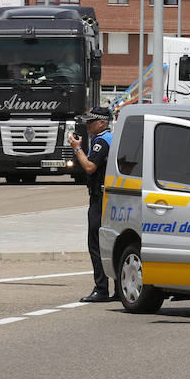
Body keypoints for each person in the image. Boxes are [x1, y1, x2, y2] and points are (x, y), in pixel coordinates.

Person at [68, 106, 115, 303]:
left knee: (95, 244)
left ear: (102, 123)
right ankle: (119, 289)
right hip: (110, 197)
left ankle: (101, 289)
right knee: (112, 244)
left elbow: (89, 167)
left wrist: (77, 148)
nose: (87, 125)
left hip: (100, 198)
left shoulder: (101, 142)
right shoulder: (113, 138)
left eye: (91, 121)